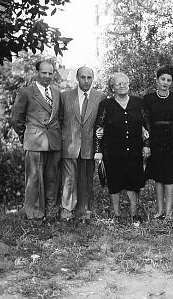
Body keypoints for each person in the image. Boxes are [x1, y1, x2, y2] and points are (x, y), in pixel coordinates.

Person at [94, 72, 150, 224]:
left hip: (134, 149)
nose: (122, 85)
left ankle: (134, 215)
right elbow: (99, 128)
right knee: (114, 182)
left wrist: (146, 145)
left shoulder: (138, 103)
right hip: (112, 150)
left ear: (128, 85)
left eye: (124, 82)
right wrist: (98, 151)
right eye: (118, 84)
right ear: (113, 88)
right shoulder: (106, 105)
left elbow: (146, 125)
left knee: (133, 182)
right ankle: (117, 215)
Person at [11, 60, 62, 221]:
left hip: (53, 141)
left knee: (53, 178)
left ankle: (50, 211)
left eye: (50, 73)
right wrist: (25, 136)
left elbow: (59, 117)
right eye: (44, 73)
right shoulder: (26, 91)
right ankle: (34, 214)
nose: (47, 76)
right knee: (34, 180)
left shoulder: (56, 92)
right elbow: (16, 119)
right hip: (34, 141)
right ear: (37, 73)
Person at [59, 66, 106, 221]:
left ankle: (84, 212)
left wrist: (101, 132)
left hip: (89, 144)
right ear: (77, 78)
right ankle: (67, 210)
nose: (86, 81)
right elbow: (59, 120)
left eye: (89, 77)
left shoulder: (100, 97)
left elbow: (103, 120)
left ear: (93, 79)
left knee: (86, 179)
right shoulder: (65, 96)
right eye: (83, 77)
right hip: (69, 143)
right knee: (69, 179)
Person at [144, 65, 173, 219]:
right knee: (158, 176)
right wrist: (146, 142)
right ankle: (159, 211)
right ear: (157, 80)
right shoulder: (148, 98)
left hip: (172, 139)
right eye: (163, 79)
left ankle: (169, 212)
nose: (165, 82)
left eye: (169, 80)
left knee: (169, 176)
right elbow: (145, 121)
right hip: (155, 139)